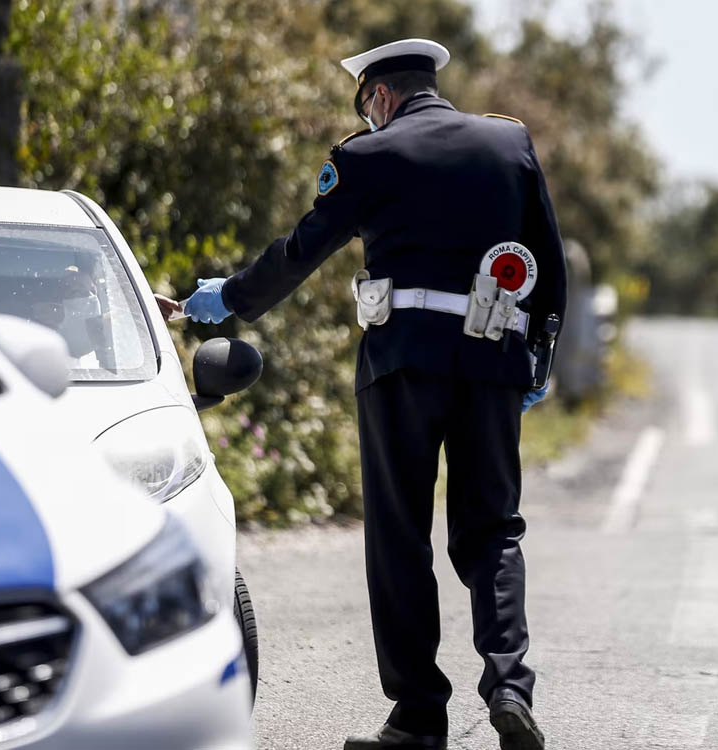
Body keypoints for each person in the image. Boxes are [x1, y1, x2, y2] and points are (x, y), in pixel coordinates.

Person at [174, 38, 566, 750]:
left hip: (402, 366)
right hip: (491, 360)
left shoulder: (367, 156)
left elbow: (302, 249)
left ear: (378, 96)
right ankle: (509, 683)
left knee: (399, 537)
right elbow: (550, 262)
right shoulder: (509, 143)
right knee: (494, 531)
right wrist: (535, 363)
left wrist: (229, 296)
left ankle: (418, 718)